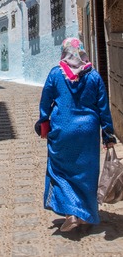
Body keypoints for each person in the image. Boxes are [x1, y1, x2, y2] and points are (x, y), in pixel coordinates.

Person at [35, 37, 116, 232]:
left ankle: (71, 212)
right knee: (86, 173)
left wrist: (43, 122)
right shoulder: (94, 76)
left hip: (62, 130)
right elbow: (103, 107)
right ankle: (85, 213)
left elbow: (45, 101)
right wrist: (108, 134)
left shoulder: (56, 74)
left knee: (61, 172)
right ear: (81, 52)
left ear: (64, 52)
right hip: (88, 133)